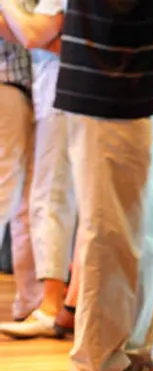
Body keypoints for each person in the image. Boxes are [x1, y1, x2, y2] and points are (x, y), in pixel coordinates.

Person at [55, 0, 153, 371]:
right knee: (109, 231)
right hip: (107, 86)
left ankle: (146, 353)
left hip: (133, 85)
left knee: (148, 233)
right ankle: (98, 361)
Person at [0, 0, 77, 340]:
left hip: (48, 94)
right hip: (21, 88)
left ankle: (42, 304)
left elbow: (35, 34)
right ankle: (45, 304)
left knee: (40, 200)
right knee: (24, 196)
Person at [0, 28, 39, 325]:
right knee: (6, 192)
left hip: (30, 88)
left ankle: (30, 301)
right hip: (7, 84)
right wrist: (34, 29)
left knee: (28, 200)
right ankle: (30, 300)